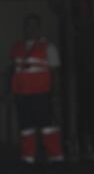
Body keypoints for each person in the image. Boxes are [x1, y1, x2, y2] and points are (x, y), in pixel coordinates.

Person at [10, 14, 64, 164]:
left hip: (42, 94)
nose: (31, 29)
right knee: (26, 128)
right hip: (22, 95)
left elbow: (55, 72)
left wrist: (54, 93)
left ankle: (55, 158)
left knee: (47, 127)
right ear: (25, 28)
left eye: (34, 25)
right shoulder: (18, 47)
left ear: (40, 28)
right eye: (29, 25)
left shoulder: (48, 47)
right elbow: (14, 70)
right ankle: (28, 158)